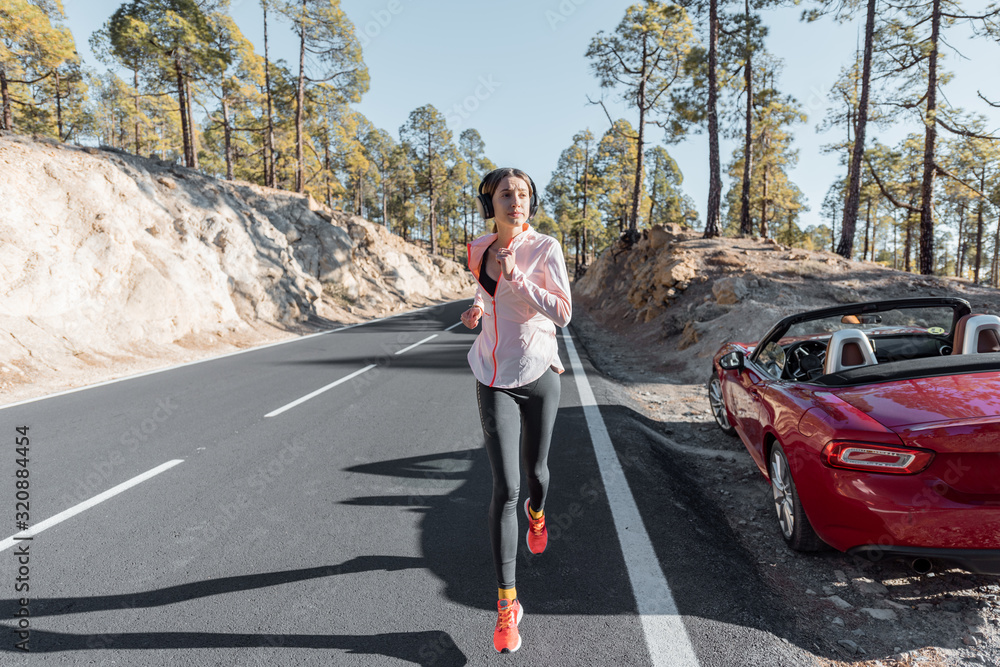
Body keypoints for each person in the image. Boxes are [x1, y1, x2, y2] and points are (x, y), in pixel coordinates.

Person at [460, 167, 572, 653]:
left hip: (540, 374)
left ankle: (539, 514)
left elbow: (563, 311)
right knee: (505, 487)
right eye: (506, 194)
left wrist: (517, 278)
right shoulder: (478, 248)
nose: (516, 201)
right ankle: (507, 606)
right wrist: (477, 312)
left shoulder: (544, 248)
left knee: (537, 475)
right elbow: (487, 297)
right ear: (491, 201)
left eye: (523, 194)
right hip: (492, 377)